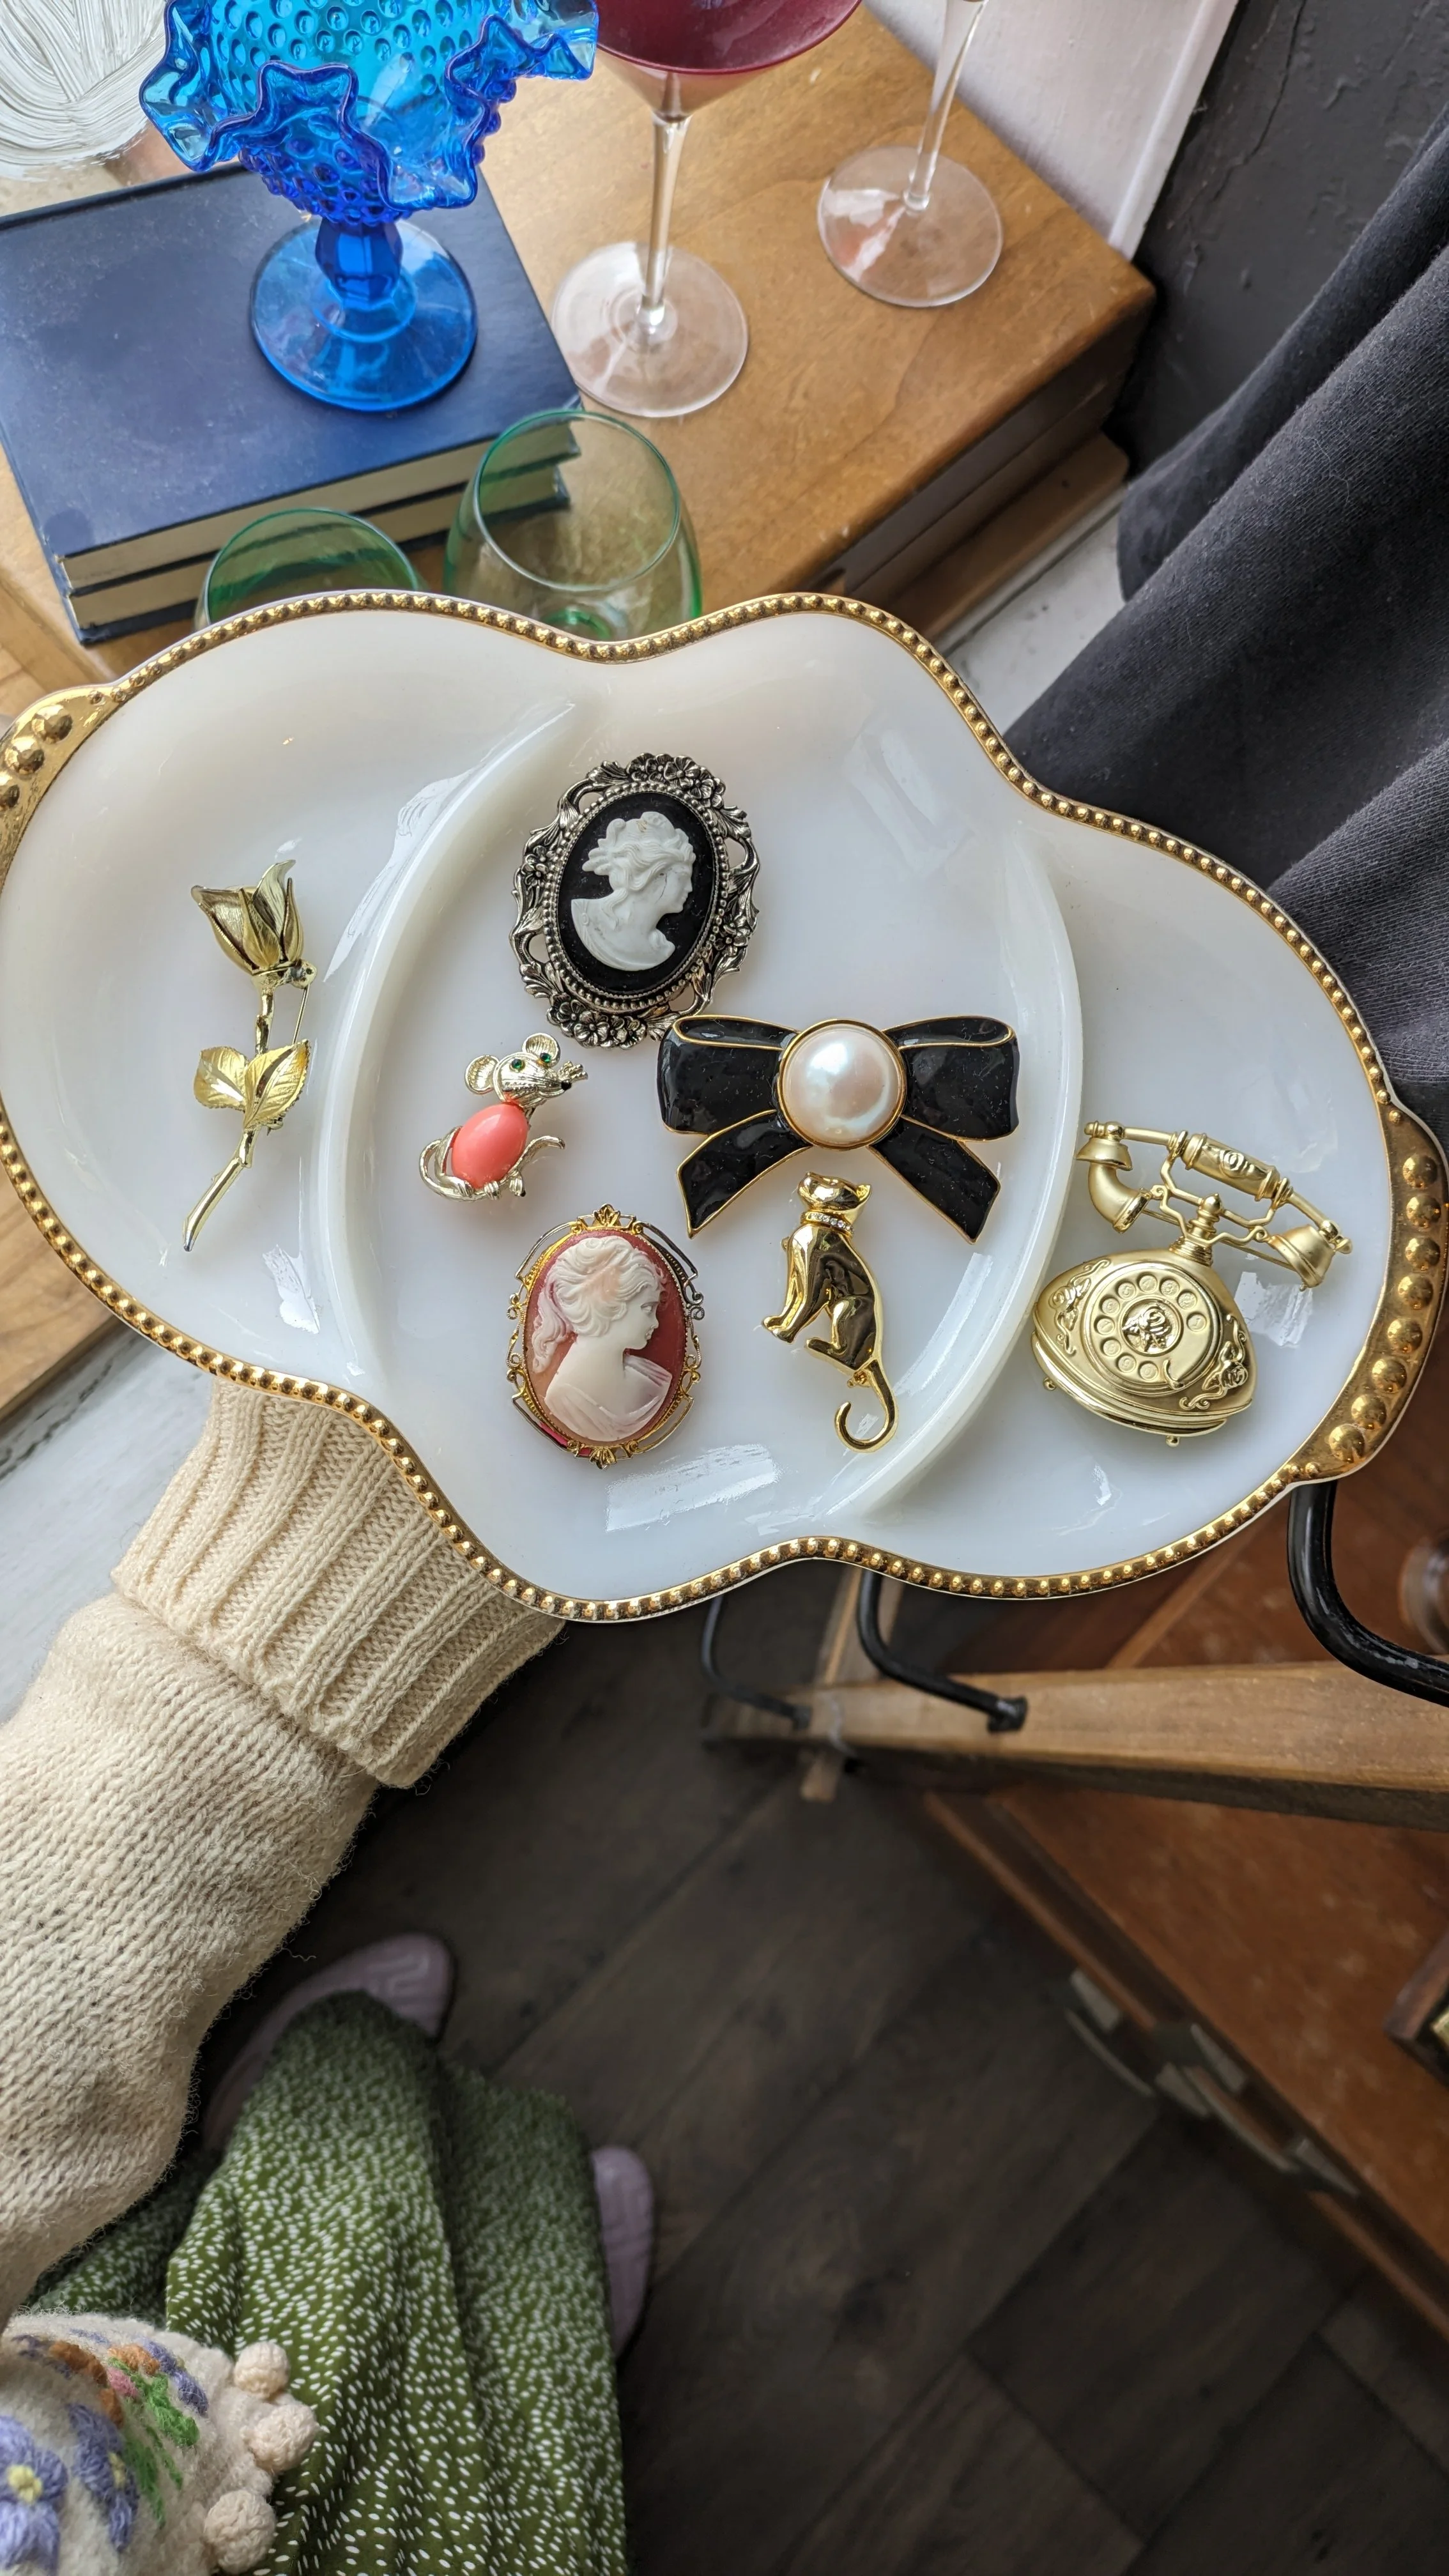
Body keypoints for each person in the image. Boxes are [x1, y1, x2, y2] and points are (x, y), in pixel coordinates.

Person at [0, 1381, 646, 2571]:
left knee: (315, 2174)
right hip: (189, 2519)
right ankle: (527, 2345)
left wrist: (240, 1657)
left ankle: (261, 2147)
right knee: (443, 2417)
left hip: (90, 2395)